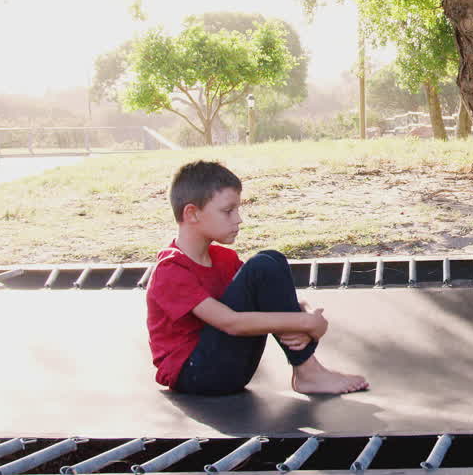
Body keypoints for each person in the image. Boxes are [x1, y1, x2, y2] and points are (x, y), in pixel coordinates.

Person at [146, 160, 368, 395]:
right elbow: (230, 322)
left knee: (272, 260)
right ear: (192, 213)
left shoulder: (223, 259)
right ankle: (308, 371)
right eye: (228, 211)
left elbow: (270, 297)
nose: (238, 219)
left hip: (233, 368)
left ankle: (306, 372)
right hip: (195, 374)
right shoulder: (171, 269)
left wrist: (309, 316)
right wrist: (305, 324)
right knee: (262, 265)